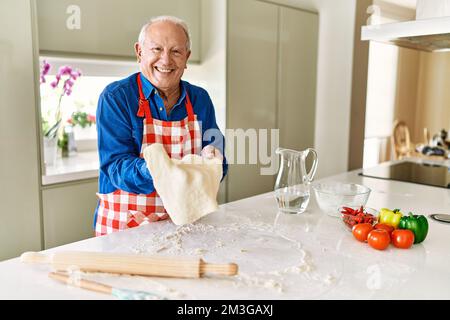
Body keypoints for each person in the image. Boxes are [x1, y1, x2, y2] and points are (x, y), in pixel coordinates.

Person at [94, 16, 227, 236]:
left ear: (187, 57)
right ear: (139, 52)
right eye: (156, 49)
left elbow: (219, 159)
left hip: (188, 223)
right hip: (127, 225)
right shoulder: (116, 97)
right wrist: (157, 169)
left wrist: (215, 160)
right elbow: (115, 166)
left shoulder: (200, 99)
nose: (165, 61)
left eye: (176, 51)